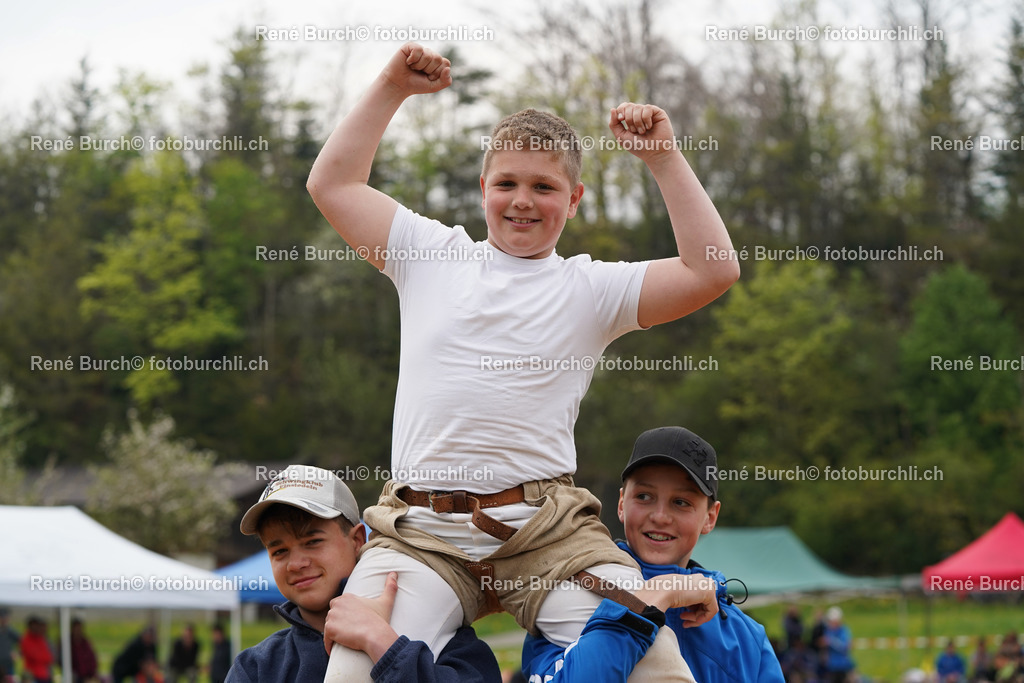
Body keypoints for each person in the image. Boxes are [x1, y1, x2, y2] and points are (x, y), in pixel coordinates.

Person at [306, 42, 739, 683]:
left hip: (546, 533)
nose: (523, 201)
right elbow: (333, 185)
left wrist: (663, 158)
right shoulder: (430, 255)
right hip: (423, 533)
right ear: (483, 188)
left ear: (575, 198)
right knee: (351, 672)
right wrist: (391, 87)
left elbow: (712, 270)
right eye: (507, 183)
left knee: (656, 667)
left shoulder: (591, 289)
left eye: (544, 187)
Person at [521, 426, 785, 682]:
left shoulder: (748, 639)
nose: (660, 517)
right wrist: (654, 597)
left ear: (710, 517)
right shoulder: (565, 595)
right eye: (644, 496)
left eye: (681, 502)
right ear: (622, 504)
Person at [225, 464, 502, 683]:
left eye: (313, 541)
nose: (295, 564)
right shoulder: (255, 668)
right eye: (279, 551)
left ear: (357, 539)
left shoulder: (445, 637)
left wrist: (384, 646)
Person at [821, 607, 854, 683]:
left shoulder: (844, 630)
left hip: (843, 666)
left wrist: (831, 641)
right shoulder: (828, 631)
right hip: (832, 666)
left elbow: (845, 646)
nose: (830, 623)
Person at [19, 616, 54, 683]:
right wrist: (41, 656)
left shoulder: (40, 638)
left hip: (45, 674)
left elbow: (49, 657)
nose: (36, 628)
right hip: (32, 675)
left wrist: (41, 656)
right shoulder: (26, 639)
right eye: (34, 626)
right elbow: (33, 656)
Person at [69, 618, 98, 683]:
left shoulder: (85, 642)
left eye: (79, 628)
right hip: (75, 675)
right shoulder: (69, 643)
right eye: (76, 629)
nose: (78, 631)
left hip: (88, 674)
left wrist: (91, 674)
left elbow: (92, 658)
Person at [0, 608, 19, 682]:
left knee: (8, 680)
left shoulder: (10, 631)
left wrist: (17, 653)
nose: (5, 620)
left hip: (8, 664)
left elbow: (24, 642)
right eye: (3, 617)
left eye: (6, 618)